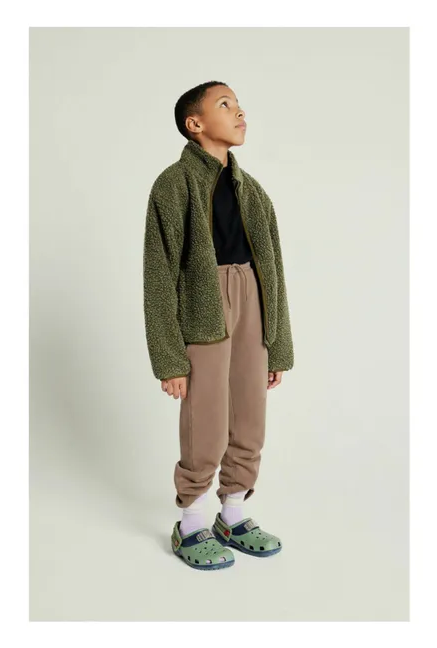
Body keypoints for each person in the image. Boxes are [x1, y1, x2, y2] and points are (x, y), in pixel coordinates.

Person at [142, 81, 294, 570]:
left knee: (249, 413)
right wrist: (169, 358)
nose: (239, 111)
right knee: (206, 418)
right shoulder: (173, 185)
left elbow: (274, 270)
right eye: (225, 105)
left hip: (252, 301)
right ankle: (191, 523)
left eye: (239, 104)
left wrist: (278, 345)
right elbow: (159, 275)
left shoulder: (254, 192)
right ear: (195, 124)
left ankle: (232, 515)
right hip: (203, 307)